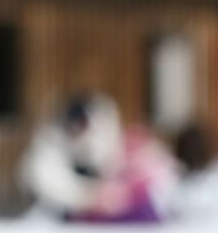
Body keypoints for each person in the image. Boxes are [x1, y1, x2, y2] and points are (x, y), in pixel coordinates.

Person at [20, 93, 181, 223]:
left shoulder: (115, 146)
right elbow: (51, 185)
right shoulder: (51, 148)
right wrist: (91, 198)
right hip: (67, 218)